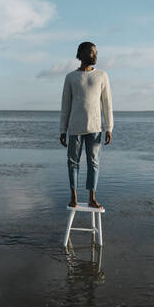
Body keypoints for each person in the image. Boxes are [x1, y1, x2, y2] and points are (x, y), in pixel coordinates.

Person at [59, 42, 114, 209]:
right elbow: (65, 105)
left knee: (94, 163)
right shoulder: (71, 77)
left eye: (96, 52)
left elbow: (107, 103)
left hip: (95, 128)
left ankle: (92, 197)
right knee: (73, 163)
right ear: (81, 53)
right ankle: (73, 196)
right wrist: (63, 129)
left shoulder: (102, 76)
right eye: (91, 52)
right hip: (75, 128)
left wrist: (109, 127)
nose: (95, 55)